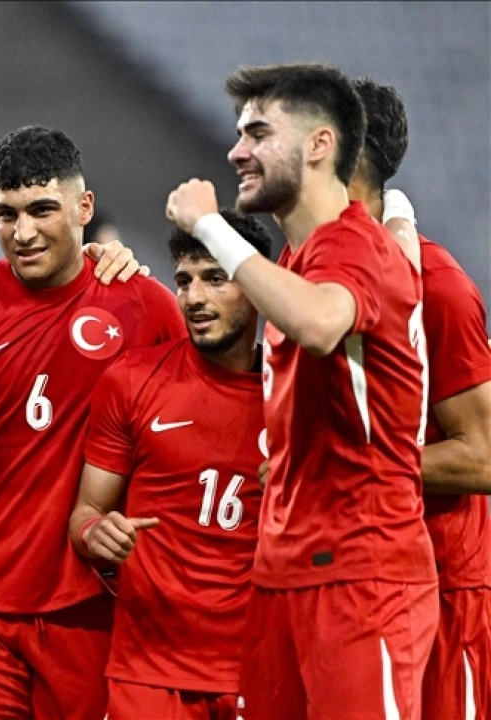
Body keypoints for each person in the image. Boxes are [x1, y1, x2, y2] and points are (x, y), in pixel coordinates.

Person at [165, 62, 435, 720]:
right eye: (239, 134)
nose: (237, 151)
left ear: (320, 144)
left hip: (362, 577)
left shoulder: (352, 248)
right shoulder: (303, 257)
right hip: (286, 575)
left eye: (258, 133)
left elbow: (319, 323)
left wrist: (211, 227)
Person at [0, 125, 184, 720]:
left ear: (83, 208)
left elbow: (187, 434)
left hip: (93, 605)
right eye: (6, 214)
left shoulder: (145, 305)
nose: (22, 233)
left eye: (42, 210)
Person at [70, 209, 272, 720]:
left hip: (262, 671)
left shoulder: (298, 396)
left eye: (216, 279)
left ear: (258, 288)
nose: (195, 297)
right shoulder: (133, 381)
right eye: (184, 281)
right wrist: (96, 533)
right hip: (149, 674)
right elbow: (86, 514)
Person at [348, 77, 491, 720]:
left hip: (441, 586)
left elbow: (482, 457)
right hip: (350, 579)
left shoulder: (440, 286)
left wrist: (351, 467)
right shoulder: (310, 269)